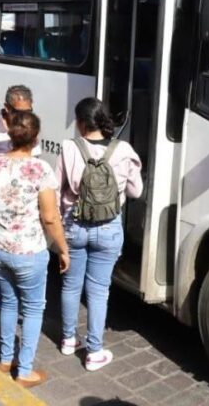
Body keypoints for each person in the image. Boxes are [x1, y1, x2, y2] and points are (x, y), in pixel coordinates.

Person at [0, 111, 70, 388]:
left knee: (8, 302)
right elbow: (50, 217)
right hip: (28, 253)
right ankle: (25, 371)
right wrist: (63, 249)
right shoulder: (40, 170)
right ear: (36, 138)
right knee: (33, 309)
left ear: (10, 135)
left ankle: (5, 360)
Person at [54, 97, 142, 371]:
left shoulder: (69, 147)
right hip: (108, 229)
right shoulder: (123, 149)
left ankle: (69, 339)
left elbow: (56, 191)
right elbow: (136, 192)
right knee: (98, 291)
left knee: (70, 285)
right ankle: (94, 351)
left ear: (81, 123)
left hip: (74, 226)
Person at [0, 85, 40, 174]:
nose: (24, 117)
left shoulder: (30, 128)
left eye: (28, 112)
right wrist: (5, 162)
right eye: (19, 112)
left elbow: (35, 161)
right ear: (7, 107)